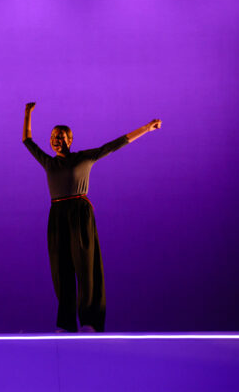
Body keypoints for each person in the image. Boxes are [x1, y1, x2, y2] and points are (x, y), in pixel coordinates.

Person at [22, 102, 161, 332]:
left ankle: (90, 321)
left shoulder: (84, 158)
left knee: (86, 268)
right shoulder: (49, 162)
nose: (57, 139)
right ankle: (65, 324)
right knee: (61, 269)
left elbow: (114, 145)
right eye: (54, 136)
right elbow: (27, 140)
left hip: (79, 212)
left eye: (62, 136)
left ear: (71, 140)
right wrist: (27, 114)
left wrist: (146, 128)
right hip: (57, 215)